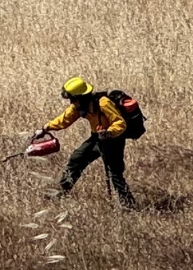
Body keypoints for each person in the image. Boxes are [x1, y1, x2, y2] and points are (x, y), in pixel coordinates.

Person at [42, 77, 138, 209]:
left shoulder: (103, 103)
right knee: (76, 159)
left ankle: (129, 206)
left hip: (113, 139)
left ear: (82, 97)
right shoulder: (79, 106)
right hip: (96, 138)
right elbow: (64, 119)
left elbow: (120, 123)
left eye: (73, 99)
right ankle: (60, 192)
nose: (71, 102)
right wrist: (45, 128)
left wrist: (109, 132)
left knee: (114, 173)